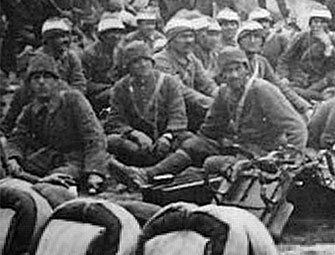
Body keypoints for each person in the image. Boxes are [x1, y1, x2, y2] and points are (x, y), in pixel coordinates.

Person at [180, 47, 308, 173]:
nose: (234, 75)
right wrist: (191, 140)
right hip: (241, 148)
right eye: (228, 71)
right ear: (222, 75)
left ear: (246, 70)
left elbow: (297, 127)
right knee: (192, 145)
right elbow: (211, 128)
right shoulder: (224, 92)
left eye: (238, 69)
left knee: (211, 163)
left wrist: (289, 162)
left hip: (264, 155)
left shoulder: (262, 90)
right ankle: (160, 175)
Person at [3, 53, 108, 194]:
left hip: (76, 159)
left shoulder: (74, 100)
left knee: (52, 186)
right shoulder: (31, 109)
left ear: (56, 81)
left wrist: (95, 172)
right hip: (48, 158)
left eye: (46, 77)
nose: (41, 82)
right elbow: (17, 137)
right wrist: (13, 158)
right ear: (30, 84)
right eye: (36, 78)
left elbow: (94, 137)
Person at [103, 42, 194, 188]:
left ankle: (148, 173)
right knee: (110, 141)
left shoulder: (168, 82)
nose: (143, 65)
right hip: (138, 146)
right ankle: (131, 171)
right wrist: (134, 134)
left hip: (166, 142)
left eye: (146, 60)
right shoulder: (121, 87)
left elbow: (178, 114)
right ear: (128, 66)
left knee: (190, 142)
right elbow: (115, 119)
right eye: (136, 62)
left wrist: (167, 136)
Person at [2, 17, 86, 135]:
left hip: (68, 102)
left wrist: (72, 100)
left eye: (66, 36)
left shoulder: (71, 57)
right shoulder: (36, 59)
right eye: (60, 37)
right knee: (21, 92)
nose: (65, 40)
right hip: (41, 103)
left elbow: (79, 83)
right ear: (48, 40)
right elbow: (29, 89)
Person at [277, 9, 335, 102]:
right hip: (300, 79)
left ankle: (309, 95)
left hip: (322, 81)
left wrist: (328, 46)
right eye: (315, 22)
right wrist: (284, 76)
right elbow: (284, 59)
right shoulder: (302, 37)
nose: (318, 25)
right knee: (282, 89)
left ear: (328, 25)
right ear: (310, 23)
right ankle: (311, 95)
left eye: (323, 22)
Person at [81, 15, 125, 110]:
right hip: (97, 95)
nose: (116, 36)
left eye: (119, 32)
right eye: (111, 32)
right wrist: (108, 87)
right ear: (102, 35)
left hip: (116, 89)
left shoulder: (120, 51)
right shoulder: (90, 53)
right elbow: (84, 83)